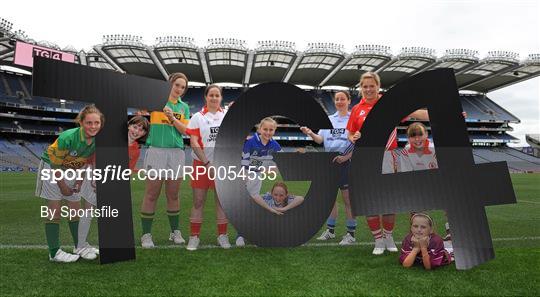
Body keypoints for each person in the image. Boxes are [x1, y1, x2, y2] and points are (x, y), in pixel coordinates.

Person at [345, 72, 432, 255]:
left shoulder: (389, 103)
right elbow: (350, 133)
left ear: (378, 86)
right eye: (365, 86)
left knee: (389, 200)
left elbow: (417, 112)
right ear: (361, 88)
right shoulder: (356, 109)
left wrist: (448, 113)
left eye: (372, 86)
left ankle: (388, 236)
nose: (368, 89)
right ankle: (378, 240)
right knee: (371, 201)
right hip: (366, 158)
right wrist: (354, 137)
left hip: (388, 157)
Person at [35, 105, 104, 262]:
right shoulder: (68, 137)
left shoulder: (97, 140)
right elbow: (55, 164)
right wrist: (63, 186)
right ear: (81, 122)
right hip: (51, 167)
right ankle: (54, 253)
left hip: (73, 169)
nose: (93, 127)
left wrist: (79, 181)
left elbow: (85, 162)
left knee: (75, 209)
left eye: (97, 123)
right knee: (54, 209)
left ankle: (79, 245)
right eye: (89, 123)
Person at [77, 115, 149, 259]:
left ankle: (109, 246)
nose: (137, 131)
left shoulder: (135, 149)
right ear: (128, 126)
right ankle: (80, 245)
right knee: (89, 210)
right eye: (135, 127)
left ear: (143, 134)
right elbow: (98, 157)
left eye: (141, 130)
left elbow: (126, 171)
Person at [300, 91, 357, 245]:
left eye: (342, 99)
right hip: (329, 162)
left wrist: (346, 157)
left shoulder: (354, 119)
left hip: (346, 162)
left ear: (348, 101)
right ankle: (330, 231)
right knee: (330, 200)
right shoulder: (329, 120)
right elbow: (320, 140)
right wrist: (310, 133)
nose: (339, 101)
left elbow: (357, 142)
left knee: (348, 200)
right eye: (337, 99)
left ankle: (351, 234)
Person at [140, 72, 190, 248]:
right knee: (152, 194)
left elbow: (185, 131)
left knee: (173, 194)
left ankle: (174, 232)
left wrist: (171, 118)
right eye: (177, 85)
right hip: (156, 152)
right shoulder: (156, 102)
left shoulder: (184, 107)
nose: (179, 89)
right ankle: (146, 235)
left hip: (176, 153)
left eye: (183, 87)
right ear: (170, 84)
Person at [185, 84, 230, 251]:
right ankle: (194, 237)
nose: (214, 98)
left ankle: (222, 236)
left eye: (217, 95)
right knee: (198, 201)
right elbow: (194, 142)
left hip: (222, 165)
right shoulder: (197, 116)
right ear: (206, 97)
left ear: (221, 98)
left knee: (221, 202)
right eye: (211, 95)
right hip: (201, 164)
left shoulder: (227, 115)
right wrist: (207, 163)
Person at [397, 122, 452, 250]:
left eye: (420, 135)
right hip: (418, 183)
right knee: (415, 207)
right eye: (412, 136)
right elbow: (407, 176)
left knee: (451, 200)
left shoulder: (435, 149)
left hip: (438, 181)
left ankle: (452, 232)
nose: (417, 139)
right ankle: (417, 237)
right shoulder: (405, 151)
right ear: (408, 138)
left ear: (426, 134)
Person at [238, 117, 282, 246]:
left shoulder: (275, 145)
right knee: (243, 206)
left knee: (252, 205)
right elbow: (244, 160)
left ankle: (250, 233)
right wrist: (244, 175)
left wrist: (274, 168)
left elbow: (283, 161)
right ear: (260, 129)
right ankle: (240, 235)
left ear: (274, 131)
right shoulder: (251, 142)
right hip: (244, 175)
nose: (268, 132)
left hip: (257, 177)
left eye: (271, 130)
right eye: (265, 129)